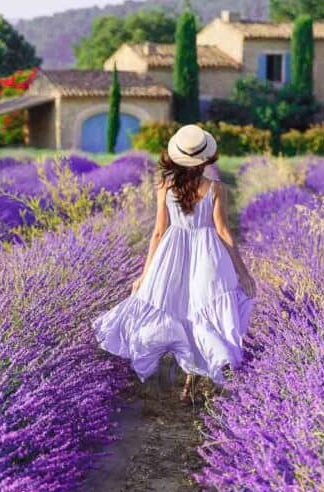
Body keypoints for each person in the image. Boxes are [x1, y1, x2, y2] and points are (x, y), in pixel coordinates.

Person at [93, 124, 256, 404]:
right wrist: (243, 272)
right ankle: (194, 378)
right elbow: (223, 231)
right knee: (203, 311)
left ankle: (186, 377)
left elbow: (158, 231)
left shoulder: (165, 186)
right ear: (206, 158)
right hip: (207, 254)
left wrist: (145, 275)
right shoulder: (215, 188)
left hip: (172, 252)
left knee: (176, 309)